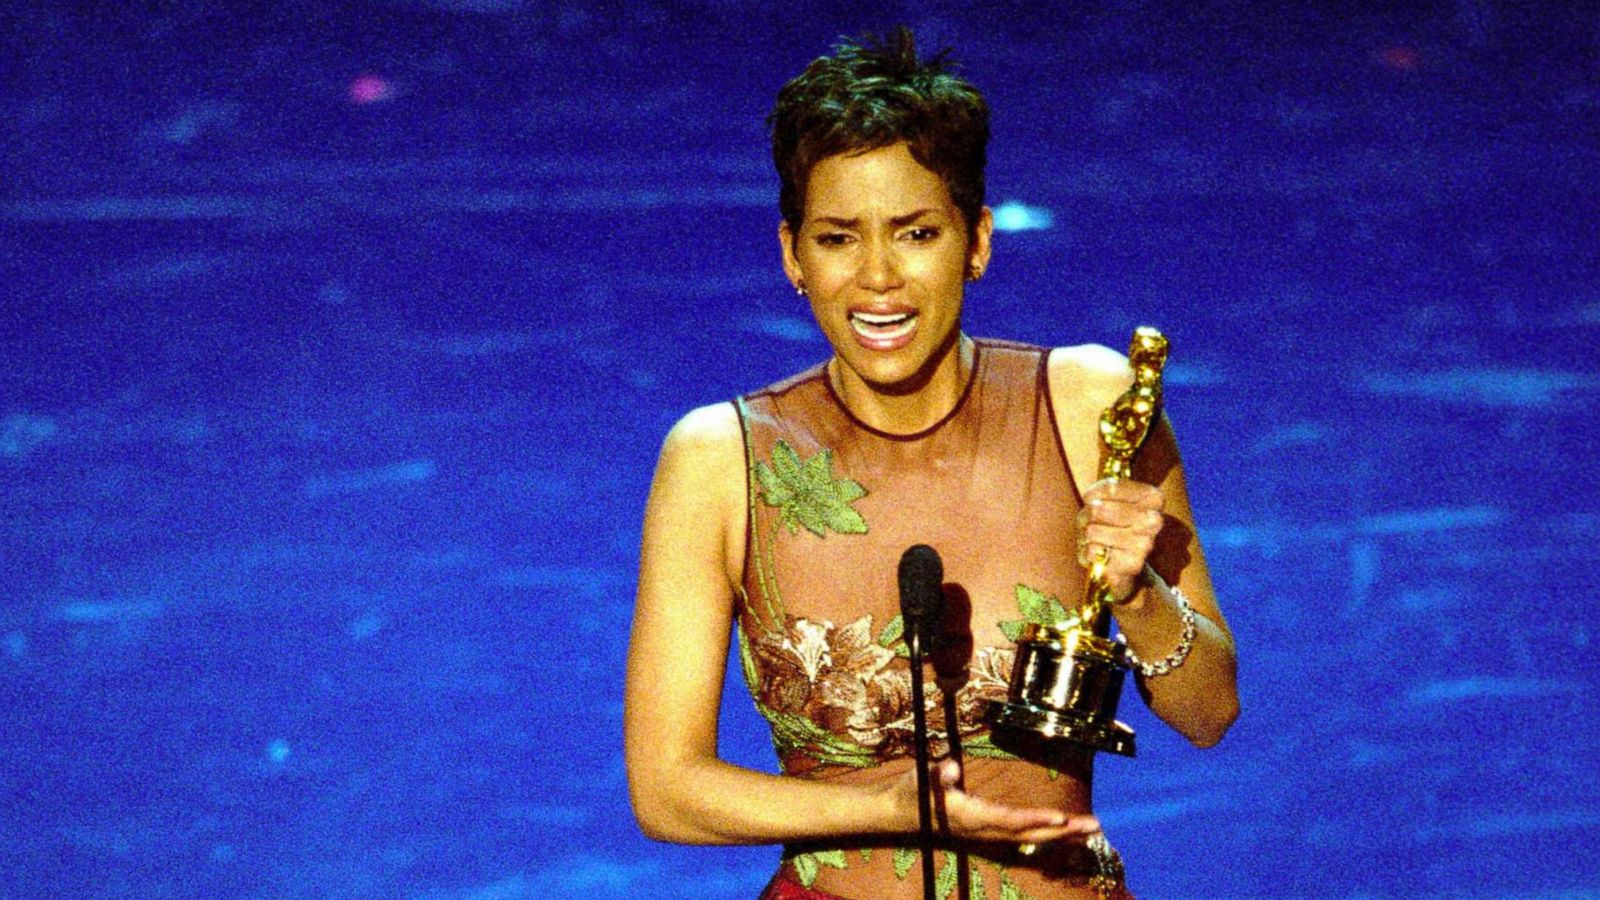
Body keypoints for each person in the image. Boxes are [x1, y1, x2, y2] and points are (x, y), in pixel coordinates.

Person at [624, 28, 1238, 900]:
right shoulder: (721, 460)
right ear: (792, 256)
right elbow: (667, 792)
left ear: (976, 241)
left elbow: (1210, 715)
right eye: (838, 239)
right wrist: (898, 805)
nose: (878, 278)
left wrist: (1138, 596)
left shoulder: (1091, 408)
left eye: (915, 233)